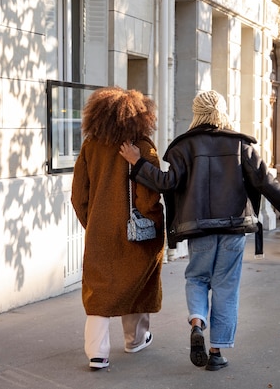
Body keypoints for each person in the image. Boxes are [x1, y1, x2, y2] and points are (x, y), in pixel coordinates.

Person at [119, 90, 280, 371]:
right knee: (226, 287)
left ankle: (197, 323)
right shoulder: (241, 145)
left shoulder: (183, 146)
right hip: (233, 228)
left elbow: (167, 183)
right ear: (223, 112)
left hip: (198, 229)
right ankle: (216, 352)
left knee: (197, 278)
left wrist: (137, 162)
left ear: (196, 112)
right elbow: (266, 182)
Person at [71, 86, 165, 371]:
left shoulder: (90, 145)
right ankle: (134, 340)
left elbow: (79, 195)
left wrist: (94, 222)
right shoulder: (143, 147)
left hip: (100, 231)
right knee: (136, 284)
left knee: (99, 291)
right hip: (136, 234)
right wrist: (152, 220)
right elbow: (149, 196)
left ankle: (97, 353)